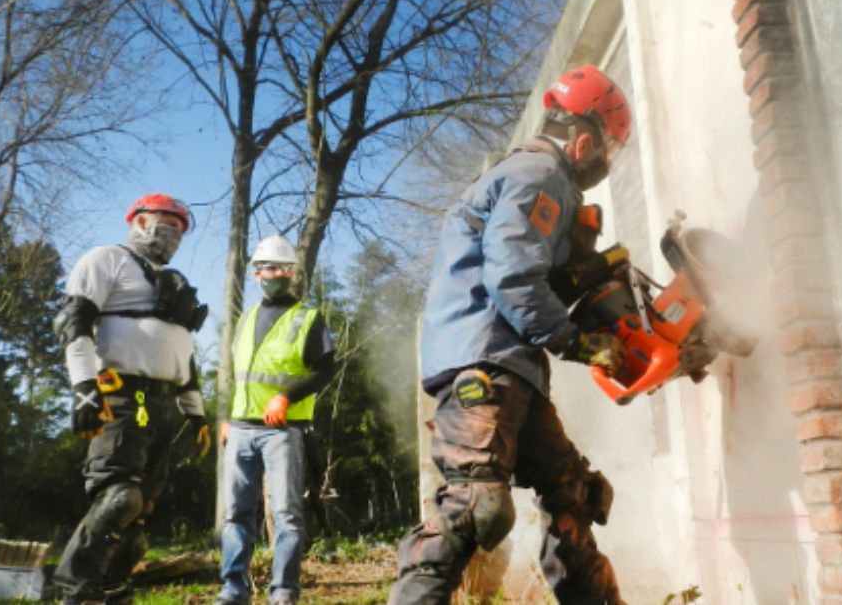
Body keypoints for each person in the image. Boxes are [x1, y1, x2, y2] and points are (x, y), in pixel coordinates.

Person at [387, 64, 634, 605]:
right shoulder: (539, 175)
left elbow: (532, 271)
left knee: (574, 494)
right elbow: (513, 277)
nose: (604, 165)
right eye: (607, 152)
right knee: (474, 506)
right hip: (485, 361)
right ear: (586, 140)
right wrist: (575, 341)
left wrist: (594, 273)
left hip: (512, 366)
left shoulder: (536, 182)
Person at [51, 193, 212, 605]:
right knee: (121, 498)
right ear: (140, 221)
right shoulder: (106, 259)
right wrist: (84, 386)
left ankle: (113, 591)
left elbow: (182, 353)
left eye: (180, 228)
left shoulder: (170, 283)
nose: (174, 233)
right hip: (120, 395)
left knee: (139, 520)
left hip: (161, 404)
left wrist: (196, 414)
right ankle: (75, 590)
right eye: (167, 222)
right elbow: (75, 321)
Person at [217, 235, 336, 605]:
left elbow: (325, 370)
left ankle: (283, 592)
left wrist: (286, 397)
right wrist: (224, 416)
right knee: (235, 513)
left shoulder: (308, 318)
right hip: (239, 429)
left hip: (282, 432)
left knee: (286, 514)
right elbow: (234, 374)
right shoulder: (245, 318)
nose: (273, 273)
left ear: (291, 273)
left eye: (281, 267)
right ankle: (233, 591)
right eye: (265, 267)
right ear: (255, 274)